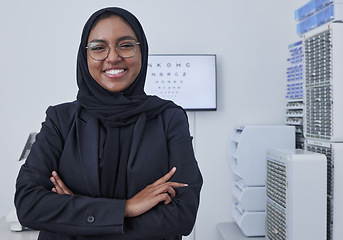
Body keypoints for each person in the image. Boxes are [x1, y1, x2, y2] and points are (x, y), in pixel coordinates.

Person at [14, 7, 203, 240]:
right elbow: (28, 204)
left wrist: (80, 221)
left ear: (141, 51)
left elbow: (182, 215)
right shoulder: (60, 120)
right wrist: (127, 208)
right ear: (85, 56)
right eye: (98, 48)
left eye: (125, 45)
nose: (113, 57)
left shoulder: (169, 118)